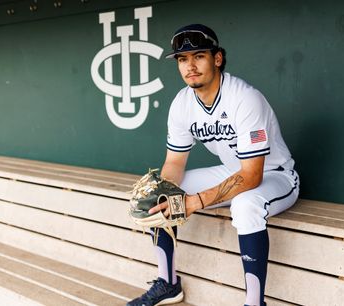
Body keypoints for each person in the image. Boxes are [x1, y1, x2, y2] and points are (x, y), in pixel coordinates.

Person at [127, 24, 299, 306]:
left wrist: (192, 203)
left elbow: (252, 176)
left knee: (245, 205)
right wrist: (165, 192)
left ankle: (255, 303)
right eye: (182, 59)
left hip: (274, 175)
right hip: (234, 171)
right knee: (157, 194)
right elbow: (174, 163)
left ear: (217, 58)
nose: (190, 66)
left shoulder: (244, 98)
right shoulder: (182, 103)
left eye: (198, 56)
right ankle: (168, 283)